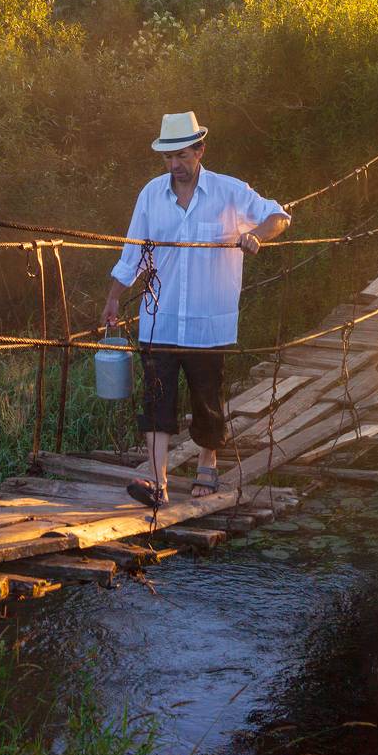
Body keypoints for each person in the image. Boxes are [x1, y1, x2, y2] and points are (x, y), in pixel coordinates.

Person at [101, 111, 291, 508]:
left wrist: (255, 235)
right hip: (160, 318)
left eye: (183, 156)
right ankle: (159, 482)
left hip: (209, 320)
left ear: (201, 150)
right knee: (157, 399)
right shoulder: (151, 195)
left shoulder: (229, 192)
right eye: (169, 158)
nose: (175, 166)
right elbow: (132, 251)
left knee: (207, 397)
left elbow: (278, 216)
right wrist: (114, 297)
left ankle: (208, 464)